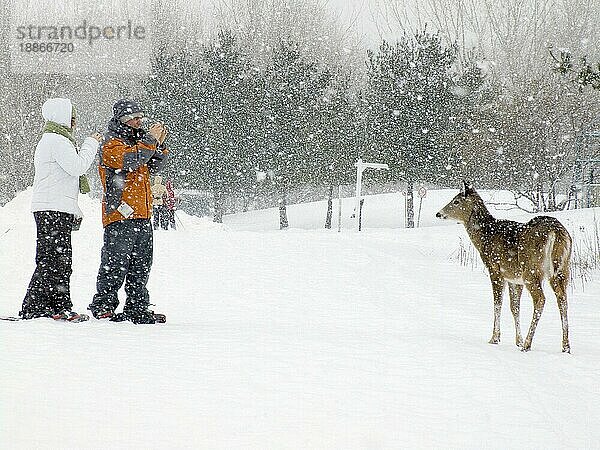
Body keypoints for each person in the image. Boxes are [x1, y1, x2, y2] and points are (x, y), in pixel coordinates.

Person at [20, 98, 102, 322]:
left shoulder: (53, 140)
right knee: (54, 260)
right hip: (52, 208)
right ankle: (40, 306)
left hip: (54, 207)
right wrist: (90, 143)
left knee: (57, 259)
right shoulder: (57, 141)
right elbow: (77, 167)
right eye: (72, 118)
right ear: (62, 117)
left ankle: (52, 305)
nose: (74, 122)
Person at [88, 99, 169, 324]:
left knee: (141, 265)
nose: (139, 121)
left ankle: (137, 306)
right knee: (115, 263)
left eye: (140, 117)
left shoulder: (140, 143)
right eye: (134, 118)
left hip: (143, 214)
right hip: (120, 215)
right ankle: (103, 305)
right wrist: (151, 140)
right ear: (122, 120)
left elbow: (154, 164)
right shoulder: (112, 144)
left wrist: (159, 145)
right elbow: (132, 160)